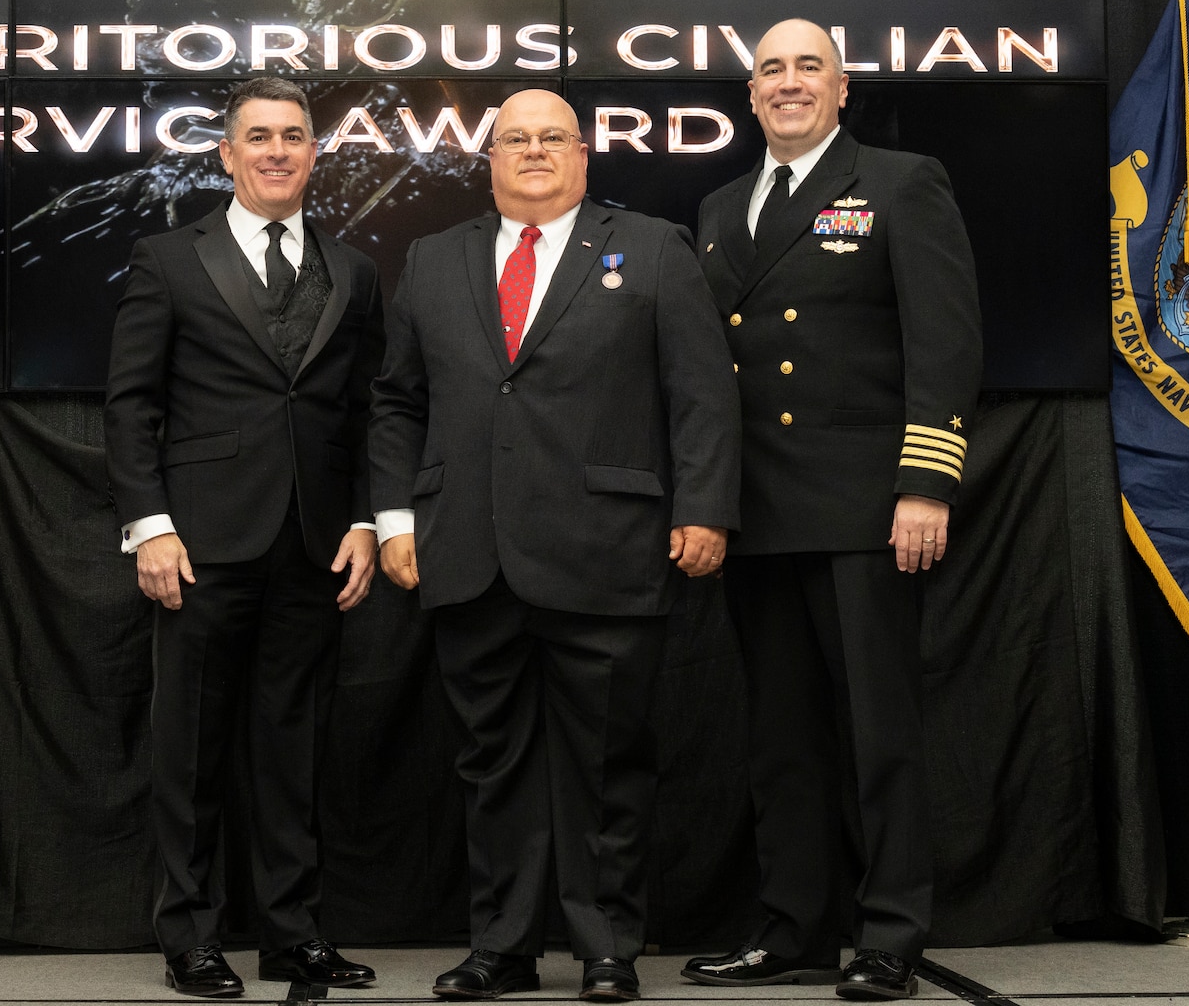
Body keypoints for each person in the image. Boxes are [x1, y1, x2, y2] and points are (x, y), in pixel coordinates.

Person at [370, 89, 741, 1002]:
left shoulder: (652, 246)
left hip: (608, 548)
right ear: (487, 158)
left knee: (608, 761)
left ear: (583, 155)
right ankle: (501, 947)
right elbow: (397, 402)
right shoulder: (431, 259)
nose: (532, 152)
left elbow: (700, 393)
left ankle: (605, 948)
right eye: (514, 140)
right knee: (489, 762)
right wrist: (394, 519)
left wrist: (704, 509)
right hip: (467, 550)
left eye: (551, 138)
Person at [681, 19, 981, 1001]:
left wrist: (924, 483)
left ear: (840, 87)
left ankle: (889, 931)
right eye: (769, 69)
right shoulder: (720, 207)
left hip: (863, 508)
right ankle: (794, 930)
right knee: (778, 739)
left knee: (877, 733)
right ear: (750, 91)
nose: (787, 83)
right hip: (756, 513)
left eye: (807, 66)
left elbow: (944, 345)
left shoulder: (899, 182)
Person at [104, 76, 384, 998]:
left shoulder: (353, 271)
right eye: (257, 136)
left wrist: (361, 519)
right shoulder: (166, 259)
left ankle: (292, 935)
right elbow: (132, 405)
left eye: (293, 136)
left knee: (292, 747)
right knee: (188, 749)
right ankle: (189, 936)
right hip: (199, 545)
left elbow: (364, 411)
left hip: (312, 545)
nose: (275, 151)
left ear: (313, 154)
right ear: (226, 154)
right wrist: (150, 527)